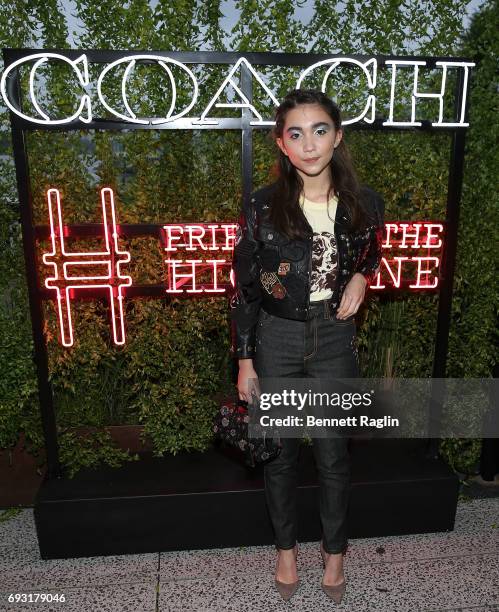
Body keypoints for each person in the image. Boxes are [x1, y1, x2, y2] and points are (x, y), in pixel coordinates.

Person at [229, 89, 384, 602]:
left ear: (337, 137)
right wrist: (245, 359)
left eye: (320, 130)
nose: (309, 143)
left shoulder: (364, 203)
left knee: (334, 455)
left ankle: (335, 557)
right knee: (280, 456)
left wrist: (361, 275)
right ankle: (286, 551)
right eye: (295, 133)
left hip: (335, 336)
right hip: (276, 337)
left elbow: (371, 247)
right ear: (282, 144)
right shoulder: (261, 207)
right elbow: (245, 288)